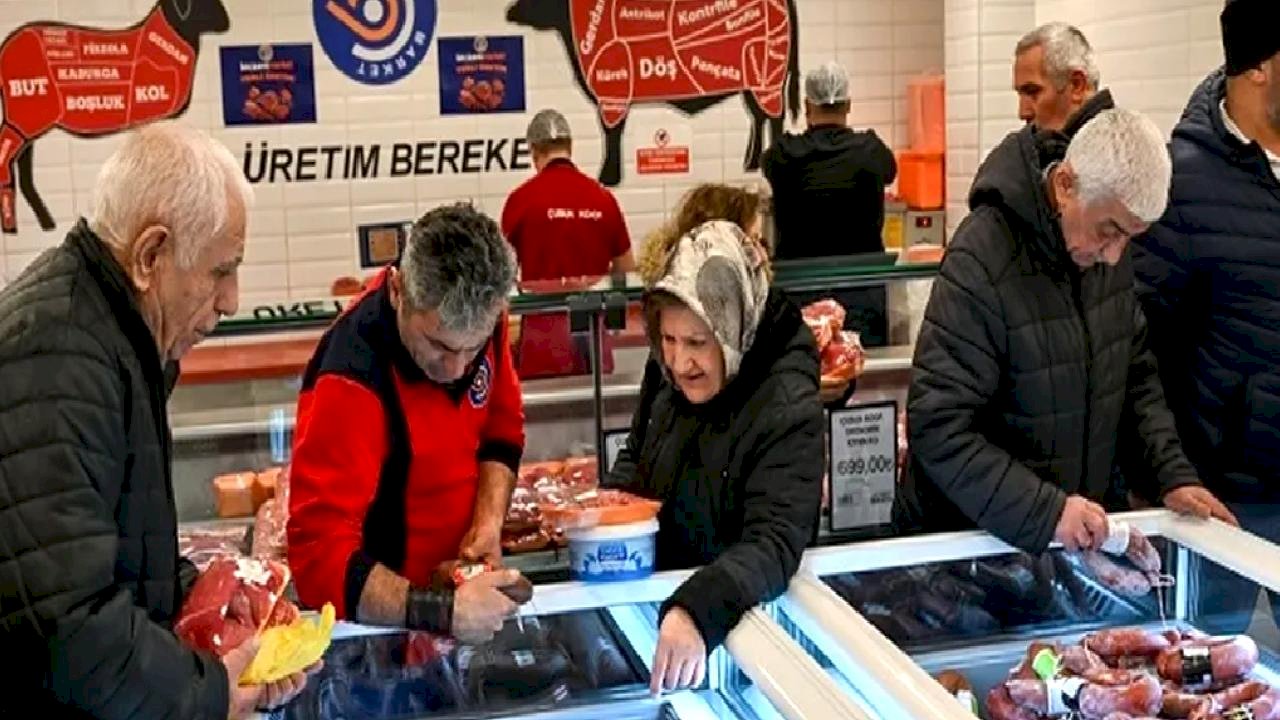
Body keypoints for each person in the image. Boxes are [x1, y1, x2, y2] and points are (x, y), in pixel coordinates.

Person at [0, 123, 312, 718]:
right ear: (150, 256)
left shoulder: (105, 332)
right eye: (223, 270)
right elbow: (68, 621)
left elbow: (109, 547)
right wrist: (210, 692)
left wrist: (213, 602)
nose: (232, 300)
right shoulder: (57, 354)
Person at [894, 108, 1238, 556]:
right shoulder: (982, 258)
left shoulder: (1099, 257)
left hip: (1062, 545)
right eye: (1108, 231)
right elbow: (938, 424)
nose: (1115, 256)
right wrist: (1046, 511)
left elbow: (1133, 377)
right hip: (964, 554)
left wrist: (1169, 474)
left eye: (1129, 239)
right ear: (1065, 186)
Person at [287, 204, 529, 644]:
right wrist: (436, 611)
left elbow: (502, 428)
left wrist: (487, 524)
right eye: (438, 344)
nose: (457, 369)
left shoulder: (481, 316)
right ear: (398, 290)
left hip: (457, 615)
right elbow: (317, 556)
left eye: (472, 350)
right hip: (376, 639)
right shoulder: (350, 378)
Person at [606, 220, 823, 695]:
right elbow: (637, 457)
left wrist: (698, 609)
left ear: (733, 329)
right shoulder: (667, 370)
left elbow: (775, 541)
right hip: (656, 619)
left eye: (698, 343)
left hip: (738, 643)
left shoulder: (787, 404)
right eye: (669, 341)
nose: (681, 362)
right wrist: (604, 520)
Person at [1131, 0, 1280, 634]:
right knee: (1211, 674)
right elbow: (1140, 346)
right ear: (1262, 69)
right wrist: (1160, 474)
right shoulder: (1184, 182)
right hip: (1226, 502)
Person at [501, 109, 635, 379]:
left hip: (541, 341)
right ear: (570, 147)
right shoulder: (602, 199)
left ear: (535, 151)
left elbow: (500, 274)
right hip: (594, 340)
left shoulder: (520, 200)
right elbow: (627, 269)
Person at [762, 61, 897, 259]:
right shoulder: (871, 150)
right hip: (861, 280)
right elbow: (890, 174)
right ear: (848, 105)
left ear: (807, 105)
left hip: (800, 282)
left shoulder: (782, 153)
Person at [1013, 23, 1113, 136]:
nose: (1022, 113)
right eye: (1020, 94)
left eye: (1032, 92)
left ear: (1077, 85)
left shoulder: (1120, 148)